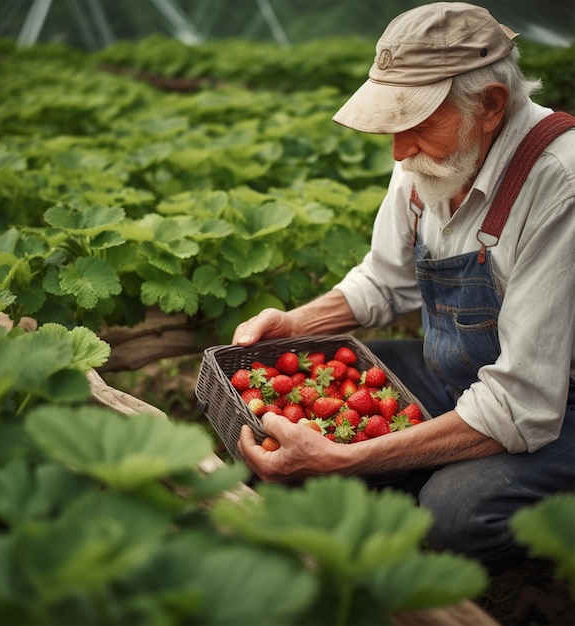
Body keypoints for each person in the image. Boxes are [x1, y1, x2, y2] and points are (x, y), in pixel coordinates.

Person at [232, 1, 575, 571]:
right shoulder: (435, 154)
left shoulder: (560, 185)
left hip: (557, 402)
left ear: (489, 106)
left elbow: (523, 402)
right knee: (282, 401)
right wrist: (295, 325)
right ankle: (414, 469)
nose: (398, 149)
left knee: (456, 514)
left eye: (416, 122)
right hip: (464, 374)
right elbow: (382, 283)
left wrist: (348, 457)